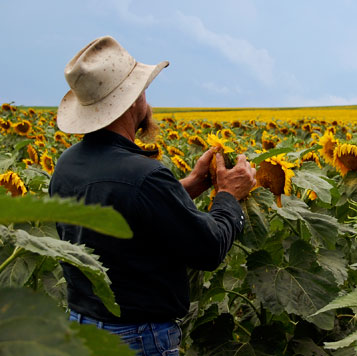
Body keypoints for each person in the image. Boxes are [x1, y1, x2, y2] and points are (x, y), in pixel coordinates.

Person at [50, 35, 256, 356]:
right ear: (133, 101)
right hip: (136, 338)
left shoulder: (68, 165)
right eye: (143, 90)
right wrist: (229, 195)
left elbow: (126, 212)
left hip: (82, 328)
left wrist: (191, 184)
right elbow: (208, 249)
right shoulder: (143, 175)